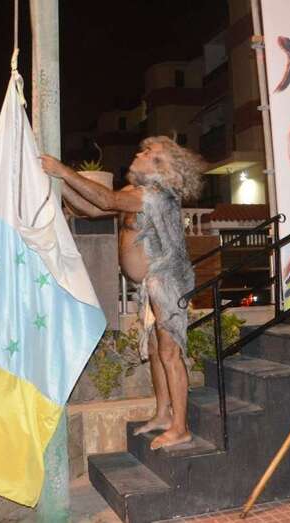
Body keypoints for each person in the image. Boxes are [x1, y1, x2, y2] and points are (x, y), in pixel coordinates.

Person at [40, 136, 205, 449]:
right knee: (155, 350)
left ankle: (180, 427)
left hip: (168, 280)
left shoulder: (158, 196)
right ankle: (163, 415)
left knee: (170, 353)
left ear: (162, 166)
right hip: (150, 284)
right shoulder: (135, 192)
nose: (139, 153)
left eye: (148, 152)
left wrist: (62, 170)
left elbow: (106, 200)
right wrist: (60, 185)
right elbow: (92, 209)